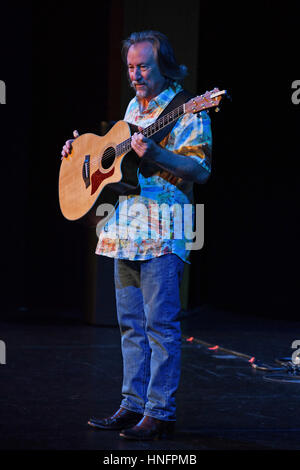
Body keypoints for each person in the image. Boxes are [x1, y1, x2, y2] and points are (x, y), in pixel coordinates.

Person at [61, 30, 212, 440]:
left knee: (160, 326)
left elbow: (200, 170)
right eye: (131, 67)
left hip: (164, 230)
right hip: (126, 230)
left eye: (143, 66)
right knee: (130, 325)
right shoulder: (132, 107)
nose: (136, 75)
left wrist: (158, 154)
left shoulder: (188, 108)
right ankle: (132, 405)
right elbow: (115, 157)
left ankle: (160, 410)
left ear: (165, 66)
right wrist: (81, 155)